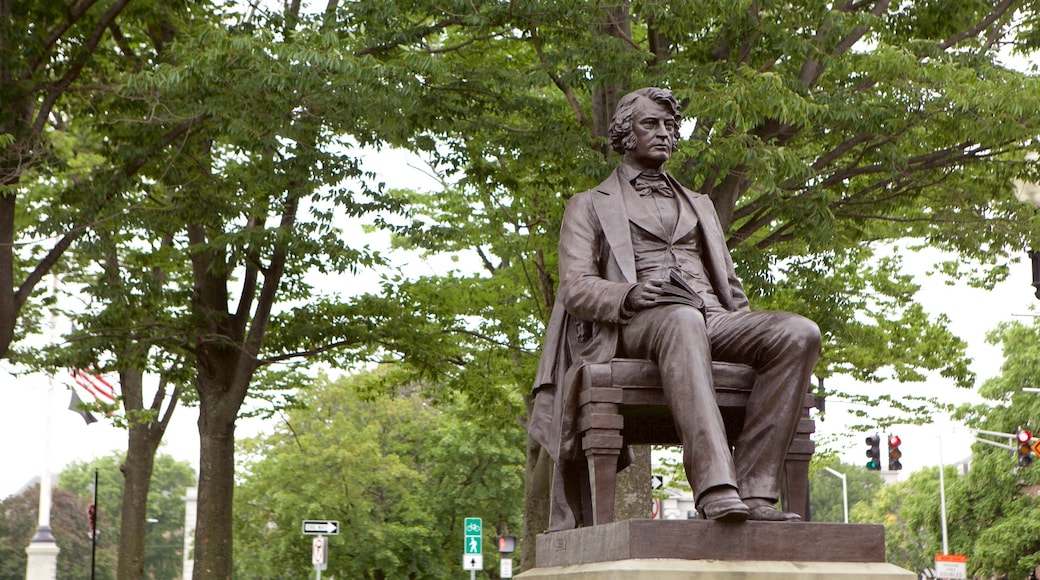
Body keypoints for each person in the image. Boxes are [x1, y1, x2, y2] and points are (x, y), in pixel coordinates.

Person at [528, 87, 821, 529]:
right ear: (626, 134)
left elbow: (730, 285)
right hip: (638, 323)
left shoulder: (700, 204)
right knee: (683, 320)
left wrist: (741, 322)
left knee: (799, 332)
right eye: (651, 124)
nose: (664, 133)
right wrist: (626, 295)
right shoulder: (588, 204)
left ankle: (756, 490)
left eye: (669, 126)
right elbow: (575, 287)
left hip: (712, 316)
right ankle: (715, 487)